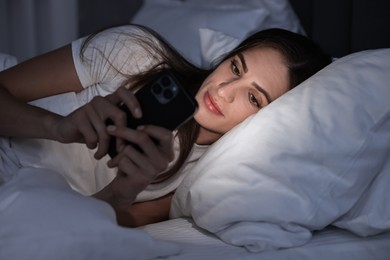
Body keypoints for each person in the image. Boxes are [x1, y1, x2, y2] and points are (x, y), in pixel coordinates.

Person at [0, 24, 332, 227]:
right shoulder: (136, 53)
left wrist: (122, 191)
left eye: (254, 98)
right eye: (235, 68)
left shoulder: (209, 177)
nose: (224, 91)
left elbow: (74, 226)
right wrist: (57, 127)